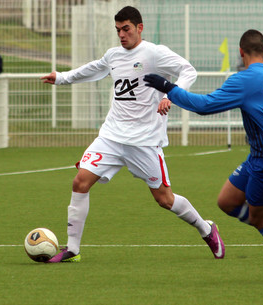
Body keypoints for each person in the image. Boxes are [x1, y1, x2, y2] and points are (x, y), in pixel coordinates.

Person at [144, 29, 263, 282]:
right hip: (261, 158)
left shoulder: (244, 79)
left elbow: (204, 106)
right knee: (227, 201)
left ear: (241, 52)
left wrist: (168, 87)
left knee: (261, 220)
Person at [40, 6, 225, 263]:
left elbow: (188, 70)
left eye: (126, 29)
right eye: (118, 30)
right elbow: (93, 69)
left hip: (145, 141)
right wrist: (61, 77)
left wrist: (172, 94)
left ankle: (206, 229)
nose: (121, 35)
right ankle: (72, 249)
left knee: (164, 199)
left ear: (139, 27)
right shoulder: (113, 55)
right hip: (111, 136)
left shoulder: (154, 53)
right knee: (80, 182)